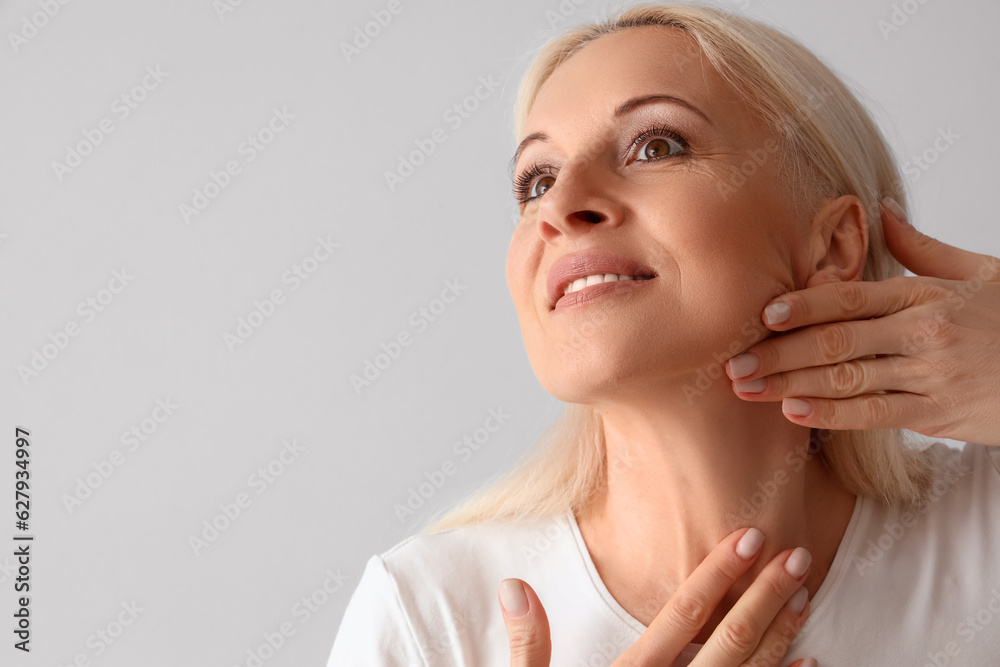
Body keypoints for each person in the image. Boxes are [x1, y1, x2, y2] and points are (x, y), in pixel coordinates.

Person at [327, 4, 1000, 666]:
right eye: (536, 181)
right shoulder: (428, 617)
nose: (559, 207)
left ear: (830, 246)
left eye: (656, 145)